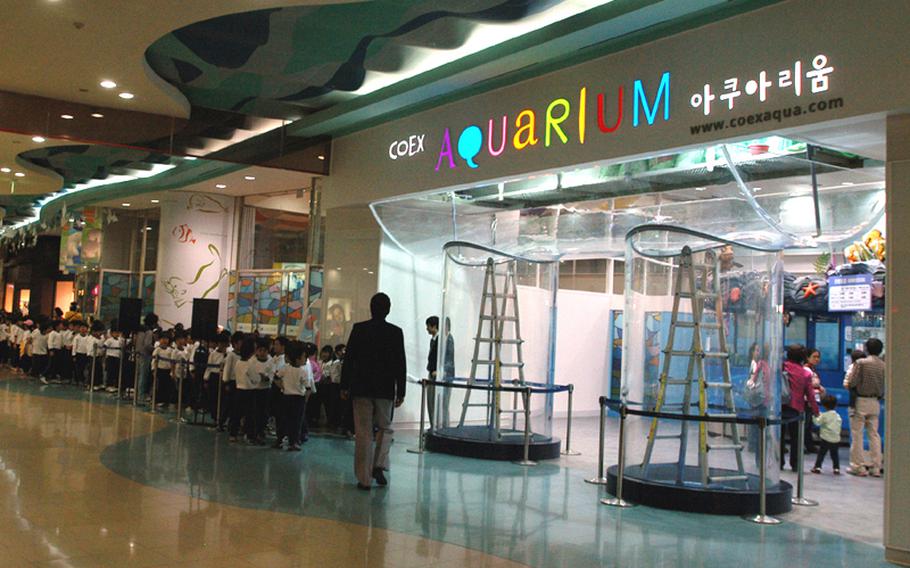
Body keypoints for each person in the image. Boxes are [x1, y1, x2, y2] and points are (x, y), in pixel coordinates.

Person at [341, 293, 406, 490]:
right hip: (385, 389)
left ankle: (364, 479)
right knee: (385, 428)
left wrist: (344, 385)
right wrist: (400, 390)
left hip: (361, 387)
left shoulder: (359, 329)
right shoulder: (395, 332)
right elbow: (400, 364)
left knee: (363, 432)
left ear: (370, 308)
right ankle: (379, 464)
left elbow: (349, 359)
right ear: (388, 309)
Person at [845, 337, 885, 477]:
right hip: (875, 401)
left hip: (860, 401)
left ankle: (858, 466)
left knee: (857, 434)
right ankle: (876, 467)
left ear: (867, 349)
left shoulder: (861, 363)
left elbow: (852, 381)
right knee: (874, 435)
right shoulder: (883, 364)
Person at [780, 344, 819, 471]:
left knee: (779, 435)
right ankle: (795, 463)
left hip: (780, 405)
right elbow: (810, 394)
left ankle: (779, 460)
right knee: (796, 437)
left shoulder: (782, 367)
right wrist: (815, 410)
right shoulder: (805, 374)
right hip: (796, 407)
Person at [274, 341, 314, 451]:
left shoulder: (285, 368)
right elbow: (308, 388)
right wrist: (305, 400)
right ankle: (292, 441)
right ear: (297, 358)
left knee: (287, 419)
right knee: (295, 421)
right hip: (298, 399)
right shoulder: (302, 371)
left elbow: (276, 377)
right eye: (304, 357)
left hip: (287, 397)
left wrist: (282, 386)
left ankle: (283, 440)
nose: (305, 359)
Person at [425, 316, 455, 427]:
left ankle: (445, 429)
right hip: (434, 376)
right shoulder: (435, 340)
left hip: (443, 377)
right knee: (431, 403)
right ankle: (434, 427)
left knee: (443, 405)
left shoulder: (448, 339)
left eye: (428, 326)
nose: (427, 329)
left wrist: (442, 372)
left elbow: (449, 359)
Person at [811, 394, 843, 475]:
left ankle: (817, 467)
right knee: (835, 455)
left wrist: (814, 416)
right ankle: (836, 468)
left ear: (824, 405)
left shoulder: (824, 415)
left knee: (821, 453)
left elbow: (817, 422)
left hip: (825, 439)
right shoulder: (838, 416)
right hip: (836, 439)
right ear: (835, 405)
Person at [804, 349, 826, 453]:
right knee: (806, 425)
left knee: (808, 425)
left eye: (818, 357)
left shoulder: (813, 370)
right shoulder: (806, 370)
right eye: (814, 357)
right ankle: (806, 445)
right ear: (808, 358)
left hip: (813, 400)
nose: (817, 359)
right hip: (807, 400)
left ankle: (809, 445)